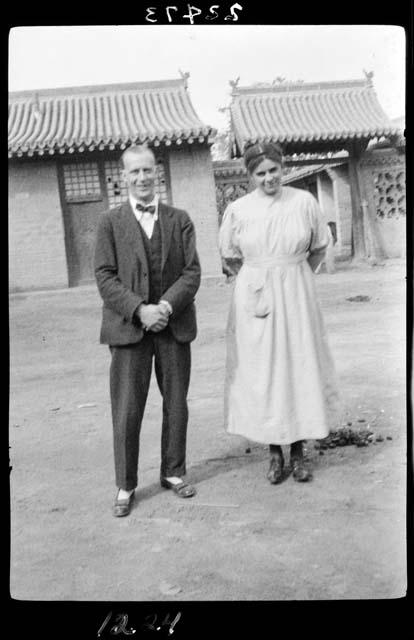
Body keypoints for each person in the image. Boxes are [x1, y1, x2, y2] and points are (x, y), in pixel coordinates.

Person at [219, 142, 339, 484]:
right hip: (256, 296)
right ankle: (274, 452)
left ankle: (299, 452)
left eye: (274, 170)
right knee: (265, 371)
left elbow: (317, 248)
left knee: (298, 366)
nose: (268, 178)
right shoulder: (239, 210)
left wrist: (293, 276)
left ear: (282, 168)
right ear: (250, 175)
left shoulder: (303, 202)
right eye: (260, 173)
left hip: (297, 293)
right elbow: (231, 257)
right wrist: (263, 276)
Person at [95, 144, 201, 517]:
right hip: (128, 329)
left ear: (158, 172)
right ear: (122, 177)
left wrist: (165, 308)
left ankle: (174, 472)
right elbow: (104, 277)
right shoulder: (110, 223)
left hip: (173, 327)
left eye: (147, 170)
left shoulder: (180, 219)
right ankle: (125, 485)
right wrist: (140, 310)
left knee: (175, 402)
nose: (142, 178)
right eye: (134, 172)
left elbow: (192, 272)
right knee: (126, 409)